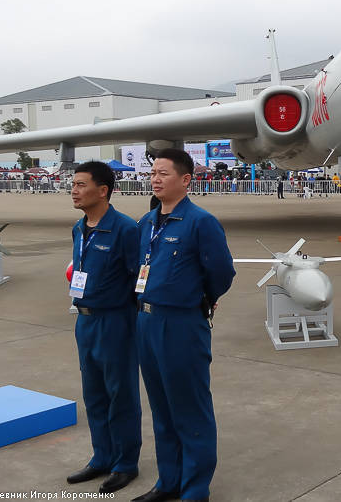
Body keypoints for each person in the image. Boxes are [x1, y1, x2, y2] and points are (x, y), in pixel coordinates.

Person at [132, 148, 235, 502]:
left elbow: (221, 272)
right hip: (145, 321)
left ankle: (194, 489)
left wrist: (202, 298)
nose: (155, 179)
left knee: (190, 409)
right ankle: (168, 482)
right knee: (161, 407)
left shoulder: (200, 222)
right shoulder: (147, 223)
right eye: (153, 173)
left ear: (186, 180)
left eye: (163, 173)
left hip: (181, 324)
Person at [66, 161, 142, 495]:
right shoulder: (78, 228)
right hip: (85, 320)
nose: (74, 190)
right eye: (73, 184)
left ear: (103, 190)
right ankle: (102, 456)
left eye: (81, 185)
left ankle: (125, 463)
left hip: (115, 321)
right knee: (94, 394)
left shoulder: (125, 229)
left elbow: (138, 278)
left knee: (120, 393)